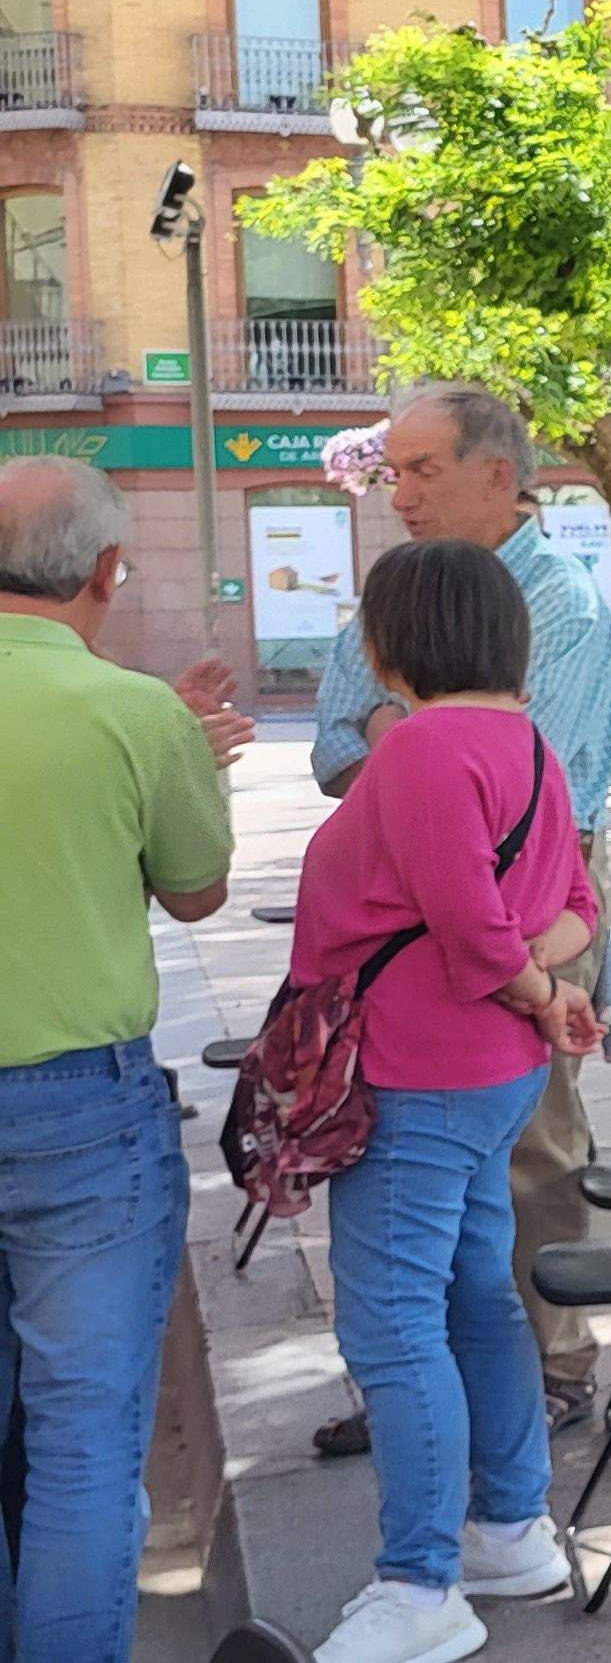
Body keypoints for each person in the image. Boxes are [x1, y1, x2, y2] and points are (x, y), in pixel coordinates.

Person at [297, 539, 609, 1663]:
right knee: (478, 1294)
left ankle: (421, 1582)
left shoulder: (423, 747)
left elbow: (468, 922)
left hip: (416, 1071)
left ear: (393, 643)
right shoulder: (527, 742)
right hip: (488, 1074)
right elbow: (575, 903)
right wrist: (545, 986)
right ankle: (509, 1525)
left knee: (393, 1324)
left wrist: (529, 985)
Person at [310, 382, 611, 1449]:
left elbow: (540, 794)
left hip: (528, 902)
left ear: (498, 475)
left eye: (421, 470)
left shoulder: (560, 600)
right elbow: (331, 748)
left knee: (531, 1146)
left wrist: (403, 735)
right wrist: (426, 748)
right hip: (421, 933)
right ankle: (435, 1386)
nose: (399, 494)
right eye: (391, 472)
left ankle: (554, 1366)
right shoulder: (397, 588)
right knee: (426, 1163)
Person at [0, 455, 239, 1662]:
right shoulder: (134, 713)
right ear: (105, 569)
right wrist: (184, 756)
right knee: (84, 1445)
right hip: (78, 1114)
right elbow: (196, 890)